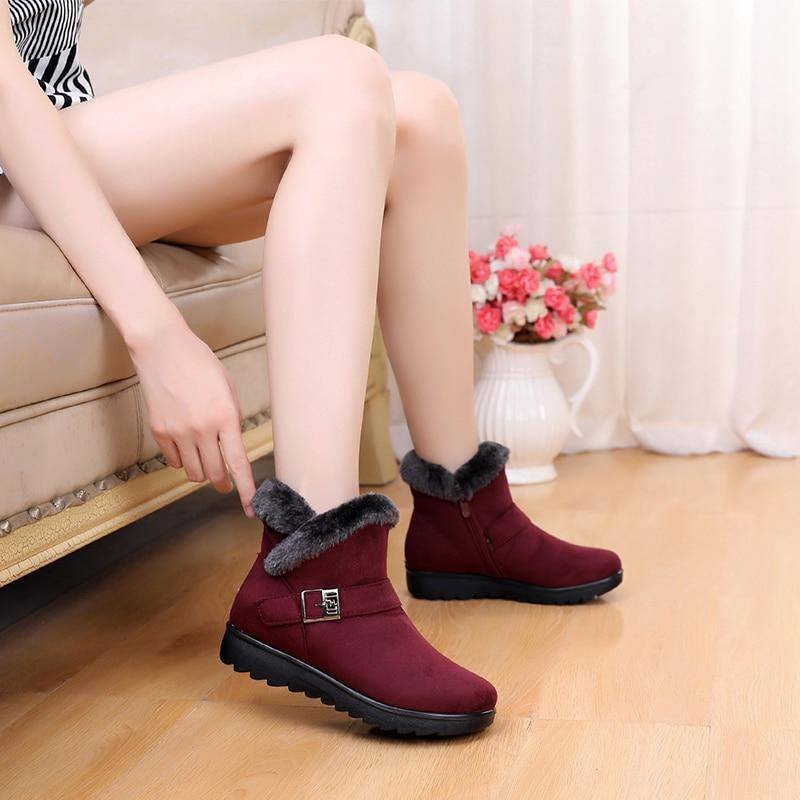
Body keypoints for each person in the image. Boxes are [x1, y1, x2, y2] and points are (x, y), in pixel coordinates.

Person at [0, 0, 622, 737]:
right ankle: (317, 580)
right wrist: (159, 336)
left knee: (420, 114)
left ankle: (464, 515)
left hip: (58, 121)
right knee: (339, 79)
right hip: (16, 154)